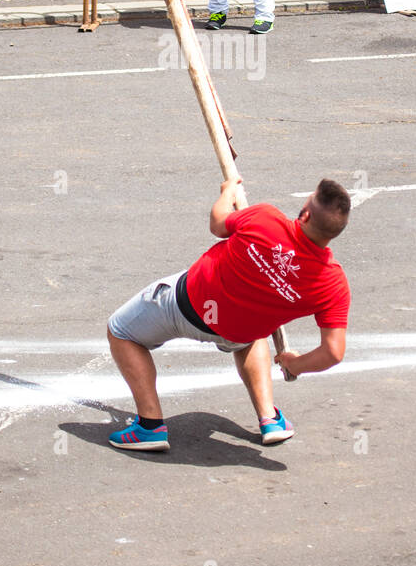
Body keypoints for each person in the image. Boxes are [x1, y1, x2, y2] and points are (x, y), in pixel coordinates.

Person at [106, 176, 351, 452]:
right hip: (238, 333)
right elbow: (334, 351)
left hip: (185, 306)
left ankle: (150, 426)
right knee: (256, 331)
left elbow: (218, 223)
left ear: (304, 214)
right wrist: (295, 365)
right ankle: (269, 418)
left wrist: (228, 193)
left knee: (119, 330)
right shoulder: (332, 283)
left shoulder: (265, 219)